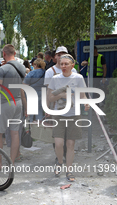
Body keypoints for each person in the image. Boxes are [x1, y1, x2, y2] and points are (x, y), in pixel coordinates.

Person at [47, 54, 90, 182]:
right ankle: (60, 162)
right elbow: (50, 97)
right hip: (59, 114)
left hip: (74, 114)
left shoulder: (78, 77)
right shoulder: (55, 79)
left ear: (72, 65)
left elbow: (83, 95)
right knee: (59, 143)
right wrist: (62, 95)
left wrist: (87, 103)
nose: (63, 66)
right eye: (62, 64)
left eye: (66, 64)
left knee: (70, 144)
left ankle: (69, 170)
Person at [0, 44, 26, 164]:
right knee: (15, 133)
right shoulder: (22, 67)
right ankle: (11, 161)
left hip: (4, 103)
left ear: (4, 54)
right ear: (15, 53)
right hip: (18, 102)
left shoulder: (3, 69)